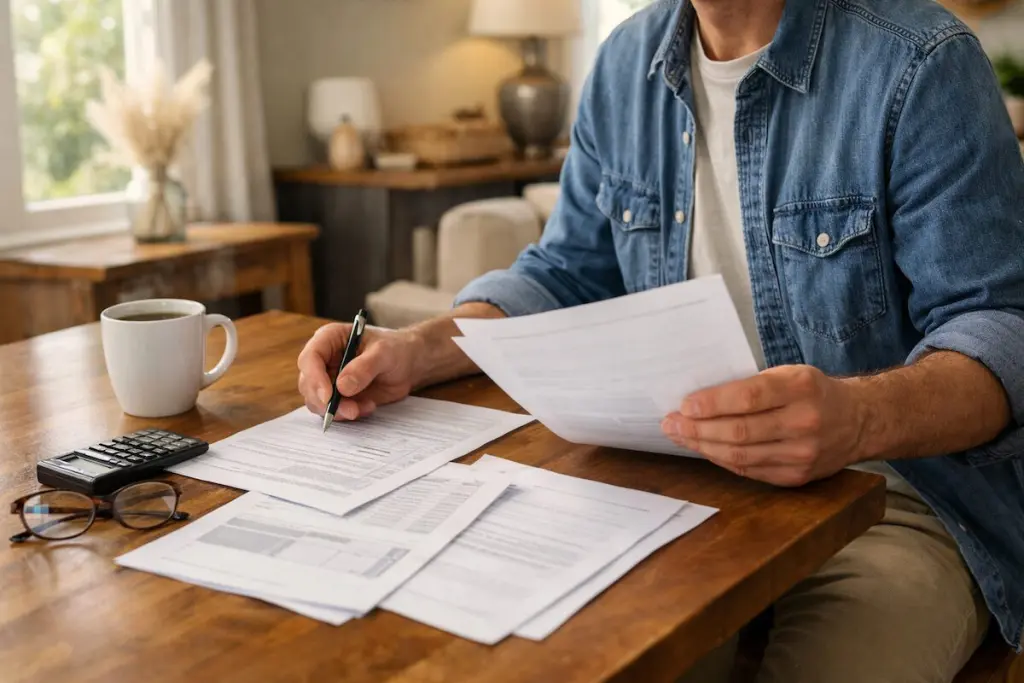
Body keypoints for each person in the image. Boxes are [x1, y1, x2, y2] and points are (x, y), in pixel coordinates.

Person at [297, 0, 1024, 680]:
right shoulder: (624, 65)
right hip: (676, 491)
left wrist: (857, 416)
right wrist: (418, 349)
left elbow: (1002, 328)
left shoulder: (920, 62)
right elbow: (565, 271)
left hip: (894, 498)